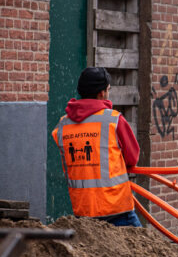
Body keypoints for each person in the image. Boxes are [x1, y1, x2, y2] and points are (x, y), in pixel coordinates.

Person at [52, 67, 142, 227]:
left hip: (83, 212)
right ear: (102, 93)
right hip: (116, 209)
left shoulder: (62, 125)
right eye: (108, 89)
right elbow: (133, 158)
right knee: (144, 250)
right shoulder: (114, 120)